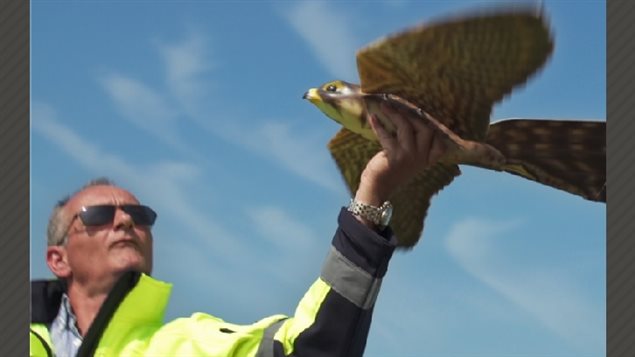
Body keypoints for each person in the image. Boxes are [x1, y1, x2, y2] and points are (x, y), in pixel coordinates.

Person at [30, 103, 447, 357]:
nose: (125, 221)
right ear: (57, 258)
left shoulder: (188, 346)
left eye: (140, 215)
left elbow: (310, 350)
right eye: (101, 215)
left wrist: (370, 198)